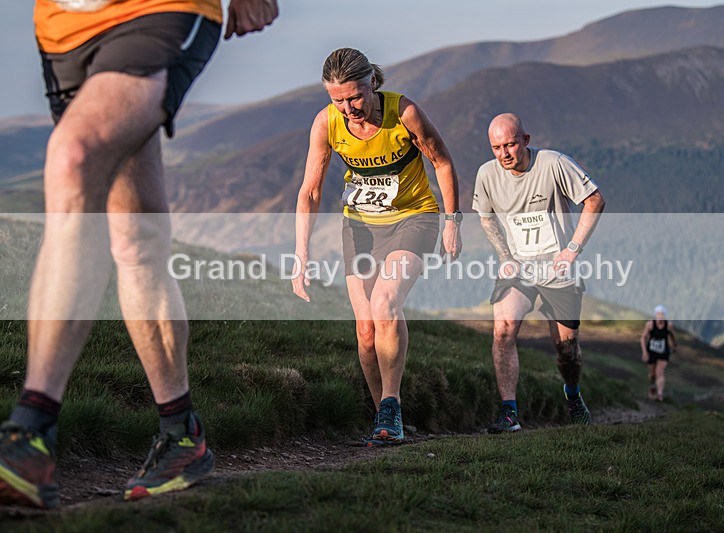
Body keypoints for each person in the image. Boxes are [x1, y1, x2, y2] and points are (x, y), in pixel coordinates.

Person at [0, 0, 278, 509]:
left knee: (74, 157)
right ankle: (181, 436)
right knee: (137, 237)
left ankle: (29, 433)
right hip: (64, 29)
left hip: (160, 10)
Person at [293, 48, 461, 446]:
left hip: (413, 217)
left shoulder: (405, 114)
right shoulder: (326, 123)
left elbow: (442, 162)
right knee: (366, 330)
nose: (348, 107)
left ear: (372, 83)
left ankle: (391, 406)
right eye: (337, 99)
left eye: (354, 97)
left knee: (386, 301)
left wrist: (453, 222)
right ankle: (386, 419)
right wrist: (302, 254)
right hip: (361, 224)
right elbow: (311, 191)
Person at [473, 113, 605, 432]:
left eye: (511, 144)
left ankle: (572, 395)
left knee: (566, 349)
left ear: (526, 140)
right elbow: (486, 218)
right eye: (496, 147)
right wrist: (505, 256)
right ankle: (509, 412)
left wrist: (572, 249)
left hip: (558, 268)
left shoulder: (553, 163)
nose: (504, 153)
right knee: (503, 330)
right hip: (518, 268)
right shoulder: (487, 175)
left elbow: (595, 200)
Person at [640, 304, 677, 401]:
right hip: (651, 351)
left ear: (664, 316)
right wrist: (644, 352)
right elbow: (643, 338)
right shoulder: (650, 325)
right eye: (658, 314)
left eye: (662, 315)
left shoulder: (668, 325)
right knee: (652, 374)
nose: (660, 317)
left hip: (663, 352)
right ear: (655, 315)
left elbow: (673, 336)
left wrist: (674, 345)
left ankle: (660, 393)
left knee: (660, 372)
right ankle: (652, 385)